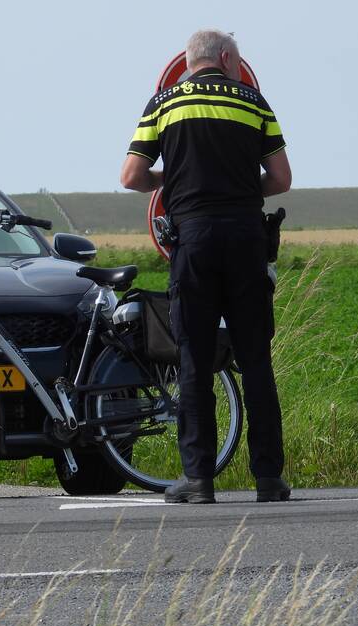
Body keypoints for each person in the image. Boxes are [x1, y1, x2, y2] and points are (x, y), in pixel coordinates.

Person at [120, 29, 293, 504]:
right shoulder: (253, 102)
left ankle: (198, 480)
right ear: (222, 57)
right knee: (255, 358)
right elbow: (280, 179)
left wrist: (175, 179)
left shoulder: (164, 103)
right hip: (244, 237)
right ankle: (269, 479)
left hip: (193, 240)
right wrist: (235, 186)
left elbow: (132, 176)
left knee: (193, 359)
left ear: (190, 62)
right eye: (236, 61)